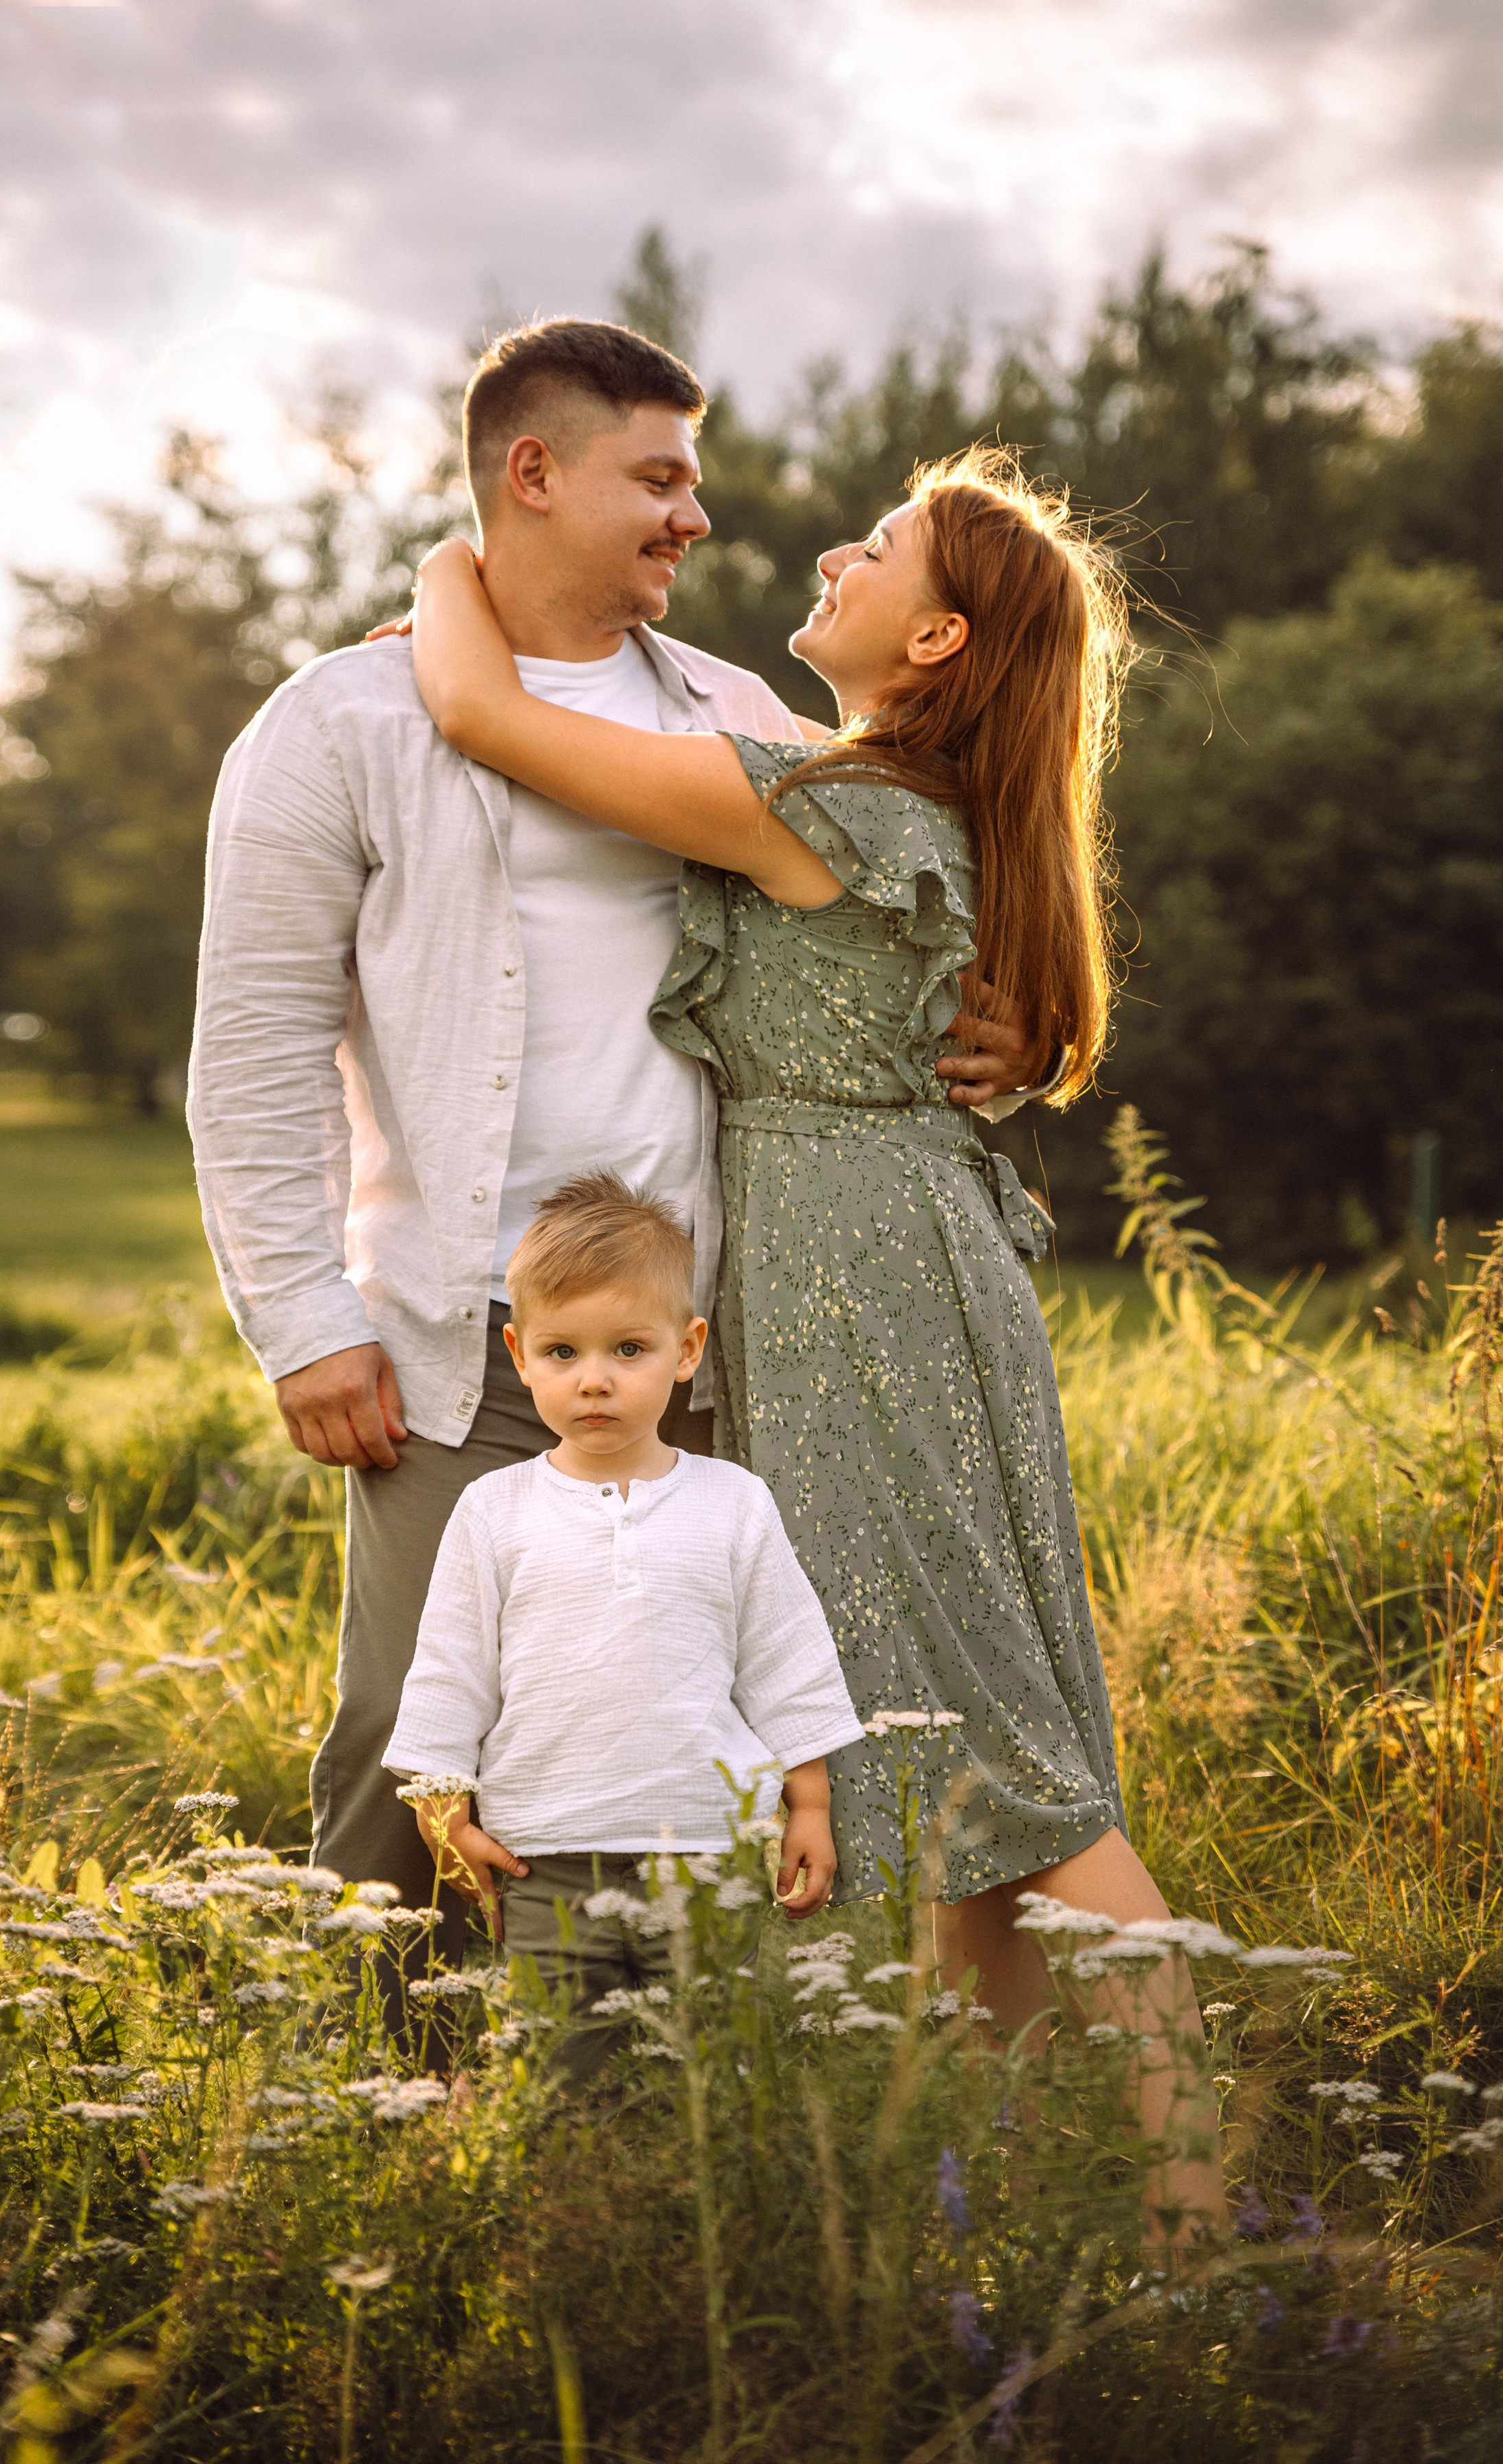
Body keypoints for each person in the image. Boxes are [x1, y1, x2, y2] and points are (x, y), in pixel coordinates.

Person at [405, 444, 1227, 2235]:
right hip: (897, 1264)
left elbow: (479, 711)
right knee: (943, 1750)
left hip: (866, 1288)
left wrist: (457, 559)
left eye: (881, 546)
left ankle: (1196, 2208)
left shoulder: (815, 806)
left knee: (999, 1753)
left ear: (934, 642)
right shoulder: (896, 804)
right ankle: (1029, 2200)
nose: (836, 553)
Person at [186, 318, 1044, 1961]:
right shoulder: (342, 720)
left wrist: (1001, 1045)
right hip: (462, 1342)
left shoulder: (735, 710)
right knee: (412, 1740)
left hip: (723, 1339)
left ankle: (671, 2076)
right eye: (656, 479)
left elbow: (894, 943)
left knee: (702, 1738)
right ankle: (391, 2073)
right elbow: (255, 1045)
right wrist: (300, 1317)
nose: (693, 517)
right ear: (533, 472)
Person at [385, 1172, 862, 2084]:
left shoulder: (732, 1503)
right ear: (520, 1355)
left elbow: (786, 1660)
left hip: (709, 1855)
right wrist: (443, 1809)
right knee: (555, 2081)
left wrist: (810, 1805)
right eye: (562, 1352)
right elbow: (451, 1670)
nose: (594, 1379)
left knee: (714, 2079)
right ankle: (554, 2177)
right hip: (545, 1860)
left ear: (687, 1350)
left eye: (629, 1349)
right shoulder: (496, 1510)